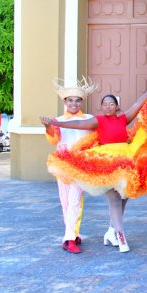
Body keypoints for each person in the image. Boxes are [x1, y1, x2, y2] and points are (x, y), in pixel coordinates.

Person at [43, 88, 147, 253]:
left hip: (124, 161)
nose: (108, 106)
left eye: (111, 104)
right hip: (96, 162)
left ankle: (111, 232)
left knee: (124, 197)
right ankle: (83, 236)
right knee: (97, 200)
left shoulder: (122, 118)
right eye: (105, 104)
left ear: (117, 107)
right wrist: (55, 123)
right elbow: (78, 125)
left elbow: (137, 105)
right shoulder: (96, 120)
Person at [41, 78, 97, 254]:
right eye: (70, 100)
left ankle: (69, 239)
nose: (74, 103)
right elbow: (54, 139)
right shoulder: (57, 120)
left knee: (75, 200)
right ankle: (73, 233)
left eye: (77, 100)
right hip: (62, 164)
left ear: (82, 101)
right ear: (64, 101)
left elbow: (96, 139)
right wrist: (48, 127)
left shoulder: (89, 119)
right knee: (65, 201)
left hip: (80, 165)